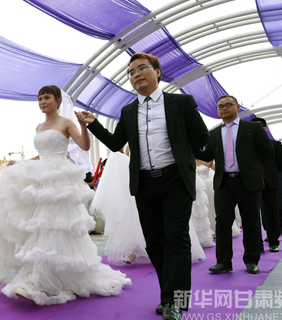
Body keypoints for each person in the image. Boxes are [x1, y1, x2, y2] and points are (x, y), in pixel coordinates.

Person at [0, 84, 131, 306]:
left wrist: (84, 126)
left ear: (57, 101)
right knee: (40, 227)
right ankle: (40, 277)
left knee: (53, 226)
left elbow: (83, 145)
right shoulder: (39, 126)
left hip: (58, 180)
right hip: (41, 179)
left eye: (46, 98)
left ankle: (36, 281)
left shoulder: (66, 122)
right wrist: (21, 162)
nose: (42, 102)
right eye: (39, 99)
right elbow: (42, 155)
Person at [76, 52, 209, 319]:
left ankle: (176, 300)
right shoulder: (128, 110)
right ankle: (167, 295)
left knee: (177, 238)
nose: (135, 75)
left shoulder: (181, 103)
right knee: (155, 242)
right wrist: (93, 124)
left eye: (141, 69)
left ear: (157, 72)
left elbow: (201, 136)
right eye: (131, 72)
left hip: (175, 180)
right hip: (145, 183)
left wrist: (188, 158)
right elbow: (116, 144)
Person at [195, 95, 274, 275]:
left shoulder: (252, 128)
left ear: (237, 107)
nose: (223, 108)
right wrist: (189, 146)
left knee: (251, 221)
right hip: (224, 183)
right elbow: (208, 157)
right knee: (222, 222)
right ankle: (223, 262)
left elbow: (267, 152)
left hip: (248, 181)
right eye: (220, 106)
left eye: (228, 105)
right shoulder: (214, 133)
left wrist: (251, 167)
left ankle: (252, 260)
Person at [250, 117, 282, 253]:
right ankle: (257, 244)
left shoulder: (275, 145)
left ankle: (273, 241)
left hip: (270, 182)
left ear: (265, 129)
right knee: (253, 214)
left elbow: (281, 165)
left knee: (272, 213)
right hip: (252, 182)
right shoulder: (246, 146)